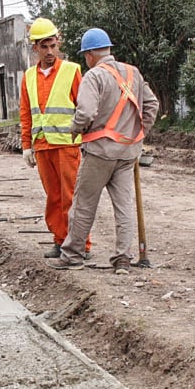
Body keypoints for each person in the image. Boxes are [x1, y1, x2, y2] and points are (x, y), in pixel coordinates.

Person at [48, 27, 158, 275]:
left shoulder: (94, 76)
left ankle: (73, 255)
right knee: (124, 206)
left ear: (88, 54)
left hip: (99, 152)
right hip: (128, 153)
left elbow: (86, 112)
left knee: (84, 203)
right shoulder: (133, 73)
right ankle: (123, 259)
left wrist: (74, 129)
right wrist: (139, 133)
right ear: (108, 49)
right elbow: (152, 104)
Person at [19, 17, 90, 259]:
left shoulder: (72, 71)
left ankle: (81, 244)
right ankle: (60, 241)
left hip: (67, 145)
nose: (49, 52)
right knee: (54, 197)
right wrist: (26, 145)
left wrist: (86, 138)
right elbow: (26, 112)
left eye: (52, 45)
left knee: (71, 196)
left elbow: (84, 107)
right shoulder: (28, 76)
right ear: (35, 48)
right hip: (42, 146)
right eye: (44, 47)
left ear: (57, 43)